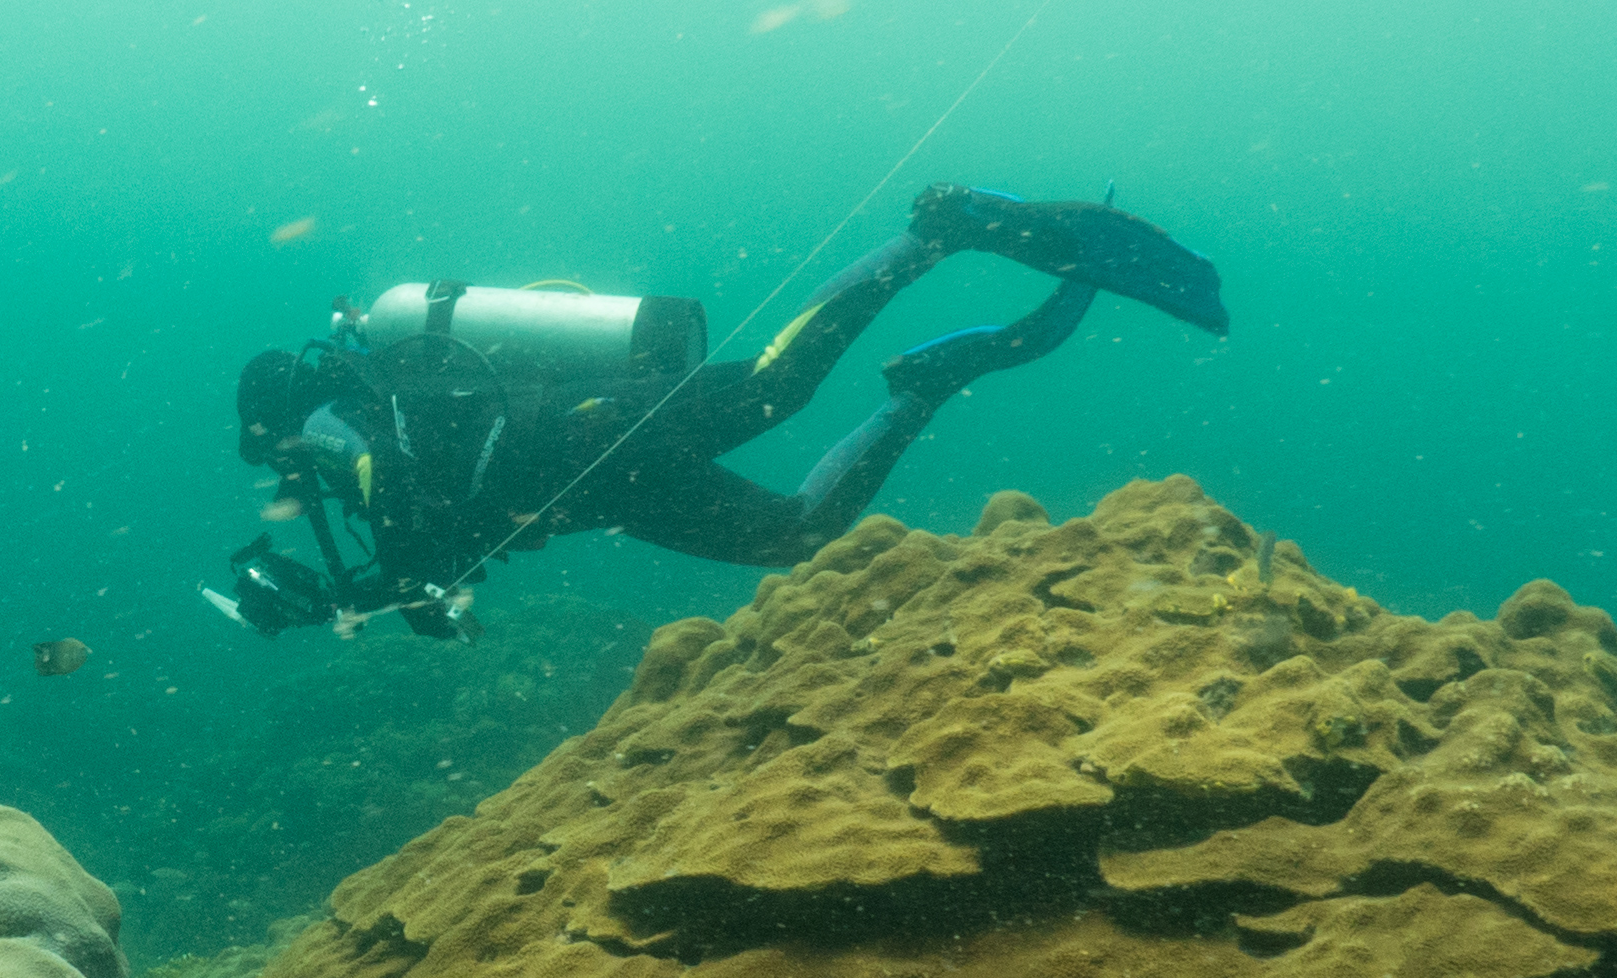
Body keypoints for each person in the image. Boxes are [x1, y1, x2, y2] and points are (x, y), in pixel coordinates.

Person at [211, 184, 1226, 639]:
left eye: (269, 450)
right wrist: (398, 590)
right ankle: (921, 388)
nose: (278, 473)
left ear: (277, 418)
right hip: (598, 488)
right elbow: (433, 526)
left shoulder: (333, 420)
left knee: (782, 385)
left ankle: (934, 238)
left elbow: (391, 483)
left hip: (595, 432)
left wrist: (355, 555)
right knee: (796, 535)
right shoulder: (357, 411)